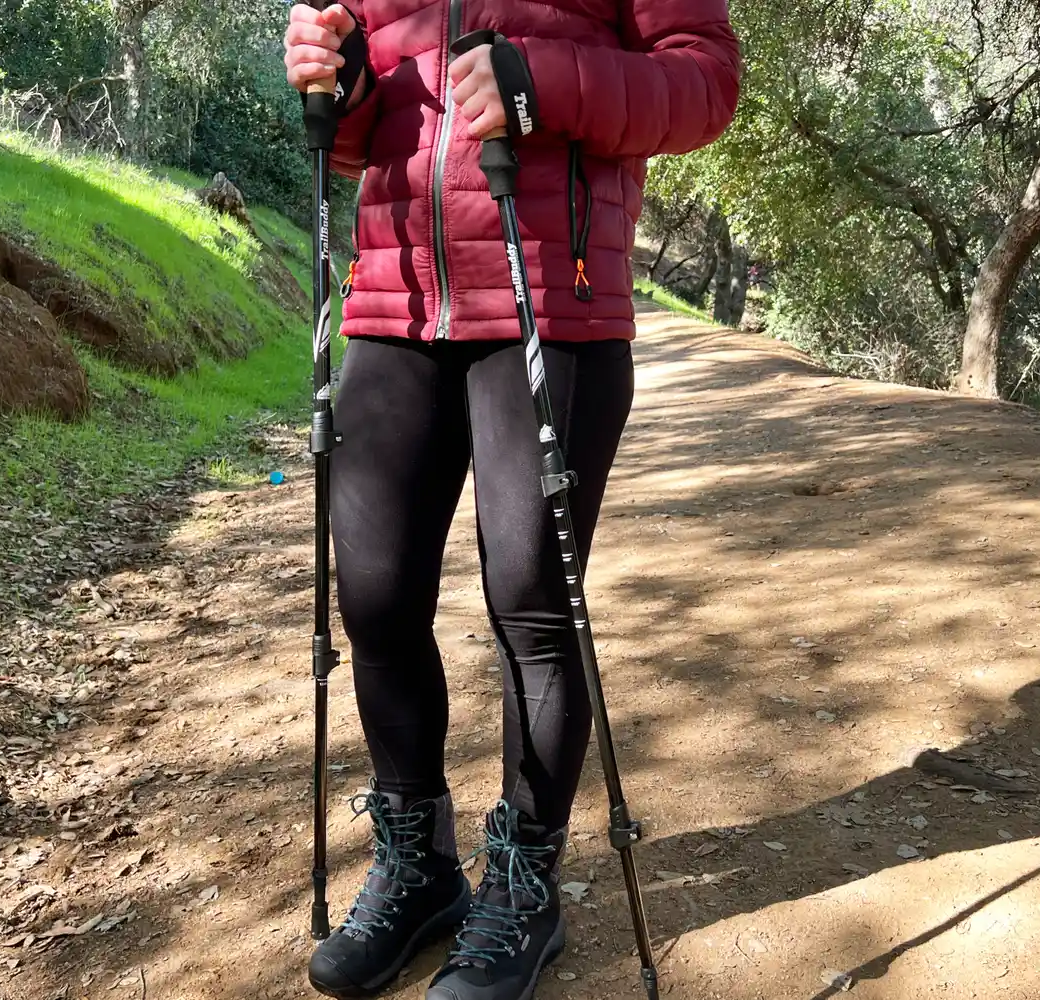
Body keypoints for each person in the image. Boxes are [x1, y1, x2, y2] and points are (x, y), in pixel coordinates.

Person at [283, 2, 740, 998]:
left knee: (533, 597)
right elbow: (366, 134)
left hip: (553, 296)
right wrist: (341, 78)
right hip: (395, 298)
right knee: (375, 591)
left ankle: (525, 881)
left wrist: (547, 82)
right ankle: (421, 864)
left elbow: (706, 84)